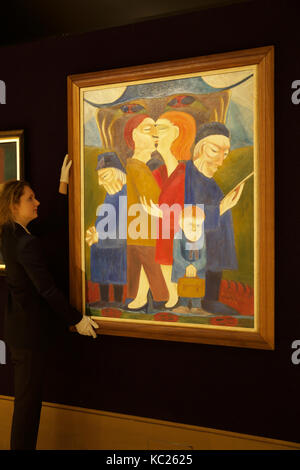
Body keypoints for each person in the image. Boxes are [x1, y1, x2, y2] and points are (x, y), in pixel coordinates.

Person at [0, 156, 98, 450]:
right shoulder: (25, 242)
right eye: (31, 198)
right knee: (28, 410)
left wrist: (63, 182)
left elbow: (52, 220)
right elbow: (47, 289)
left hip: (18, 334)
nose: (37, 202)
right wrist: (77, 319)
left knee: (26, 406)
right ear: (15, 206)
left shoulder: (10, 233)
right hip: (29, 339)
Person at [184, 122, 245, 315]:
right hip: (193, 248)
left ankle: (211, 299)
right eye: (214, 151)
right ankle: (200, 300)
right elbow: (184, 214)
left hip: (213, 246)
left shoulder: (211, 182)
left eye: (225, 155)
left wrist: (225, 206)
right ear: (200, 149)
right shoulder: (186, 177)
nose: (220, 161)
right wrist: (221, 208)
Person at [85, 152, 127, 306]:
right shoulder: (110, 194)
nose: (100, 183)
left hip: (118, 244)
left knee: (116, 263)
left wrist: (100, 237)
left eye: (105, 176)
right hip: (106, 242)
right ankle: (104, 299)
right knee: (100, 257)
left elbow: (124, 228)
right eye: (99, 177)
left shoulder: (125, 195)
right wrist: (95, 232)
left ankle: (117, 300)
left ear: (117, 174)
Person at [172, 205, 206, 312]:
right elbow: (176, 255)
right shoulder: (178, 236)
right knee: (183, 286)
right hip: (182, 267)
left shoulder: (202, 237)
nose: (195, 229)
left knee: (197, 286)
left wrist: (195, 266)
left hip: (198, 269)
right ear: (181, 224)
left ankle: (197, 306)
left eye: (198, 225)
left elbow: (204, 257)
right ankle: (183, 304)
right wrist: (187, 266)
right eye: (191, 225)